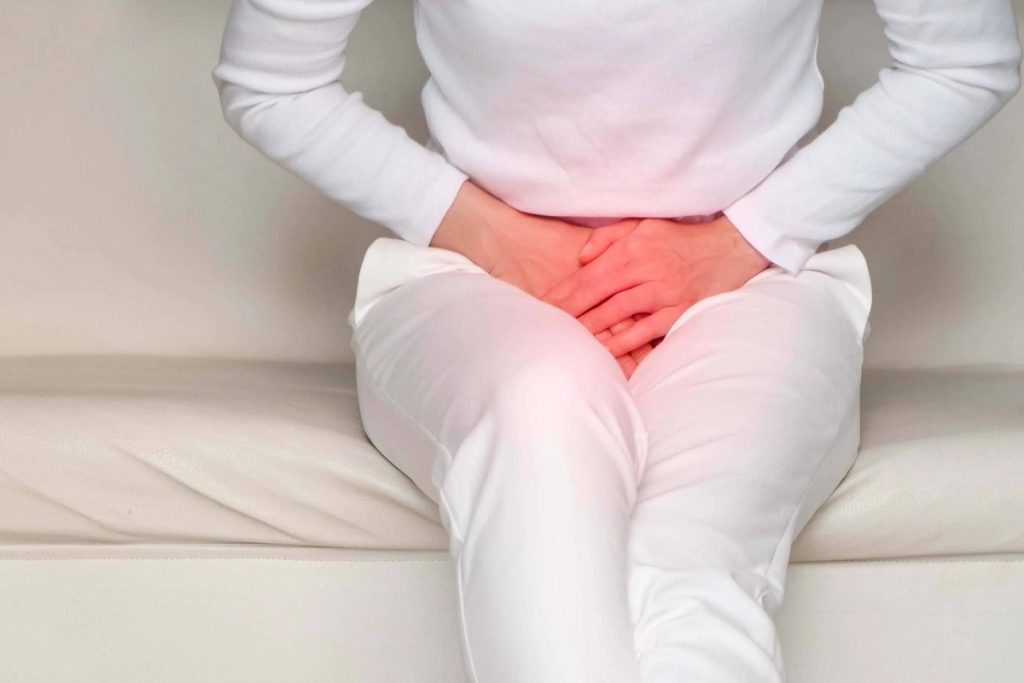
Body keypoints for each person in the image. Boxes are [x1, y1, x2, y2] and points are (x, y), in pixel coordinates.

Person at [212, 1, 1022, 680]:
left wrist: (745, 238)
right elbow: (270, 78)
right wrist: (498, 238)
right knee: (541, 414)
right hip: (471, 282)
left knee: (686, 549)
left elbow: (966, 57)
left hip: (757, 284)